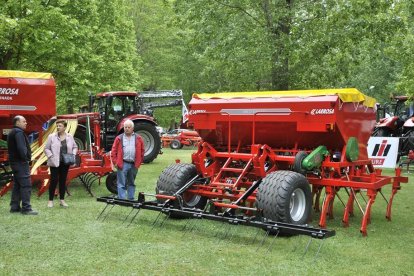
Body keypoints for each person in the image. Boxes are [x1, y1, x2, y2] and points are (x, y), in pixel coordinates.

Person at [8, 115, 38, 215]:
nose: (26, 123)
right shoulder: (18, 132)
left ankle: (14, 207)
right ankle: (26, 209)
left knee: (17, 185)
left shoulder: (12, 132)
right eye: (24, 121)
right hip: (20, 163)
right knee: (26, 185)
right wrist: (25, 159)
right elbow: (21, 148)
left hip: (15, 163)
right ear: (17, 123)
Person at [44, 119, 77, 208]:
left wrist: (73, 154)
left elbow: (75, 147)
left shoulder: (70, 136)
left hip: (65, 162)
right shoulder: (52, 136)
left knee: (63, 181)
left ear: (65, 127)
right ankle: (50, 200)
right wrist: (51, 156)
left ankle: (62, 200)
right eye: (57, 126)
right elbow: (46, 148)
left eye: (60, 126)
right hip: (54, 162)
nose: (58, 127)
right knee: (54, 181)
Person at [110, 119, 144, 200]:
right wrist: (115, 162)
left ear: (132, 128)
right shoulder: (119, 138)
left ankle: (131, 198)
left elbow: (142, 151)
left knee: (131, 182)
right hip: (123, 163)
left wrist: (139, 161)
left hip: (134, 164)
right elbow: (113, 151)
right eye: (125, 127)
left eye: (129, 127)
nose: (127, 129)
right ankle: (122, 199)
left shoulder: (138, 138)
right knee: (121, 182)